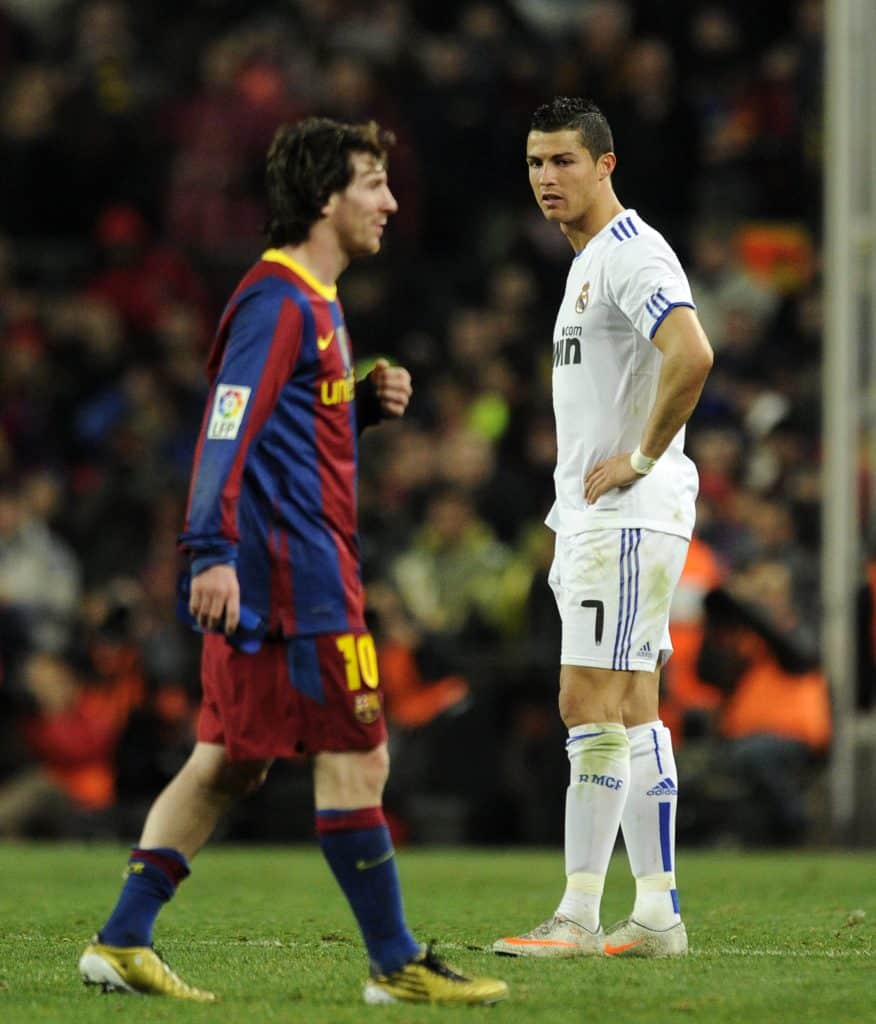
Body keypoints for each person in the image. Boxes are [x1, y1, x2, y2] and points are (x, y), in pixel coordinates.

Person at [78, 116, 507, 1007]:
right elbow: (226, 424)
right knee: (361, 755)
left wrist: (356, 405)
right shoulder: (281, 302)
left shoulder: (312, 303)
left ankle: (121, 941)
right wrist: (207, 552)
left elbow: (282, 430)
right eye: (372, 184)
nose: (390, 201)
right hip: (293, 579)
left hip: (279, 570)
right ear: (324, 198)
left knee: (228, 762)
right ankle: (396, 963)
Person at [492, 97, 713, 959]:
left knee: (587, 701)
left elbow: (691, 353)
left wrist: (644, 458)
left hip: (623, 517)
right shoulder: (589, 262)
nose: (548, 178)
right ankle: (656, 911)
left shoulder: (629, 253)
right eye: (537, 163)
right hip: (605, 518)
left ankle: (579, 916)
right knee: (635, 706)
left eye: (564, 162)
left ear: (605, 164)